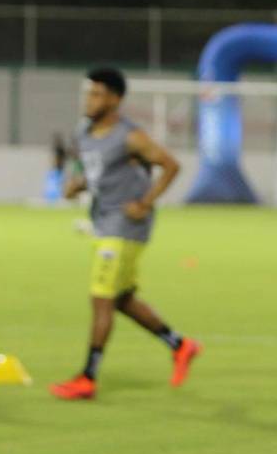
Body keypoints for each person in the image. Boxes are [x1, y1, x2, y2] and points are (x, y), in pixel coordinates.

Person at [49, 67, 201, 400]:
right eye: (89, 93)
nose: (90, 100)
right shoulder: (84, 133)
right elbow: (98, 173)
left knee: (101, 297)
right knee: (121, 299)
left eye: (98, 94)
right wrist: (78, 184)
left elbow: (170, 164)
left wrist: (145, 203)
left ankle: (87, 377)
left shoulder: (130, 136)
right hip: (103, 223)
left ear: (115, 99)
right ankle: (180, 345)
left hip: (125, 227)